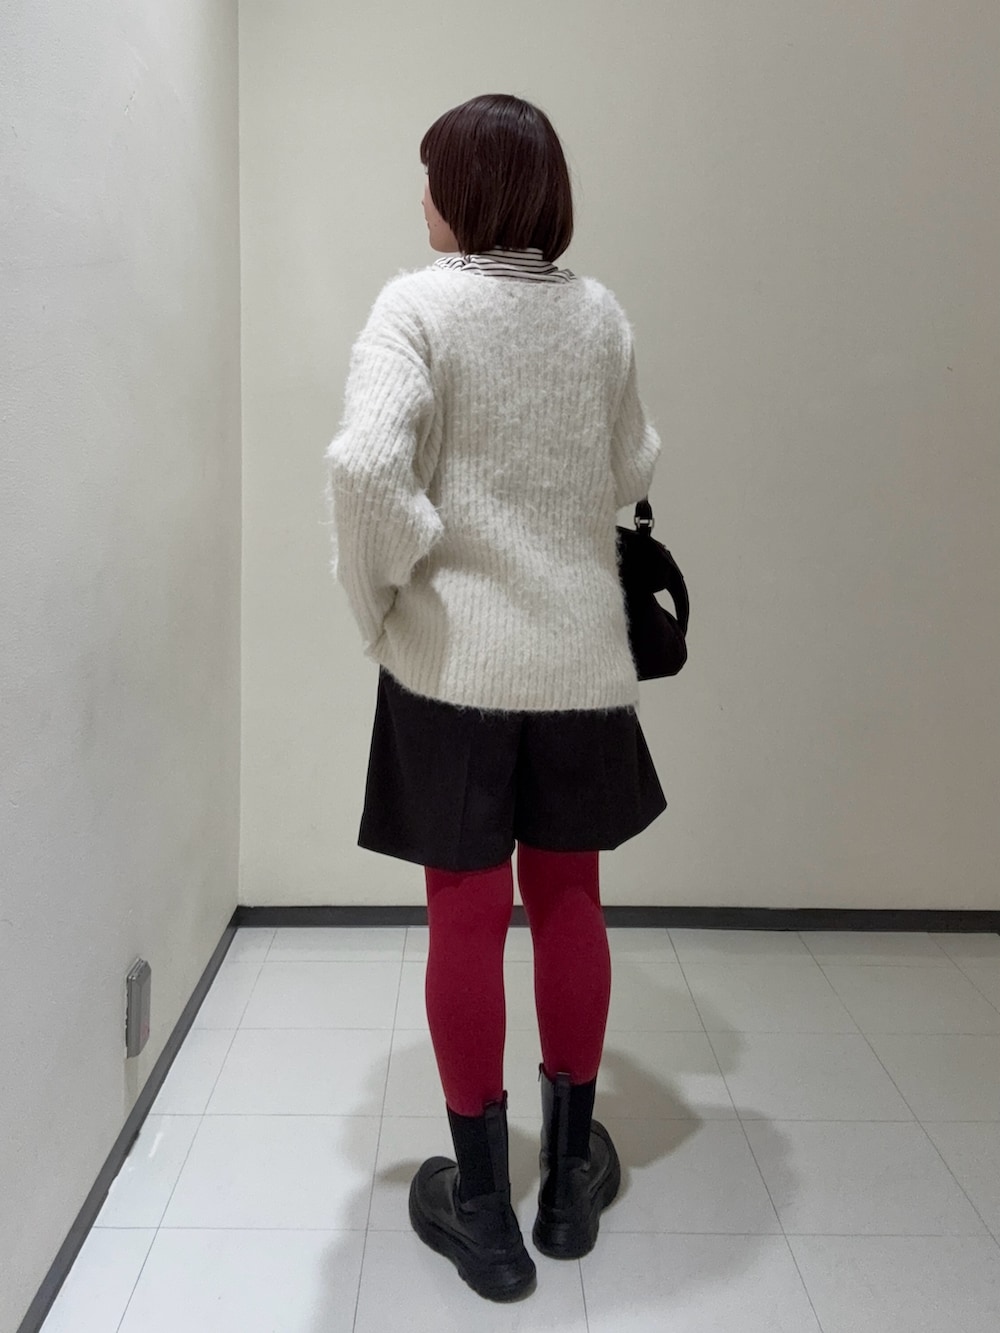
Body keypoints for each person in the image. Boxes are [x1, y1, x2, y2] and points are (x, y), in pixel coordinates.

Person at [324, 93, 666, 1303]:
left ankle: (482, 1211)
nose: (419, 195)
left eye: (429, 175)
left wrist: (382, 602)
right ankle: (568, 1188)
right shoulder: (600, 314)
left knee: (464, 918)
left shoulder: (415, 307)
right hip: (577, 662)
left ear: (462, 191)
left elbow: (367, 467)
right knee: (569, 900)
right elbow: (631, 465)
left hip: (453, 669)